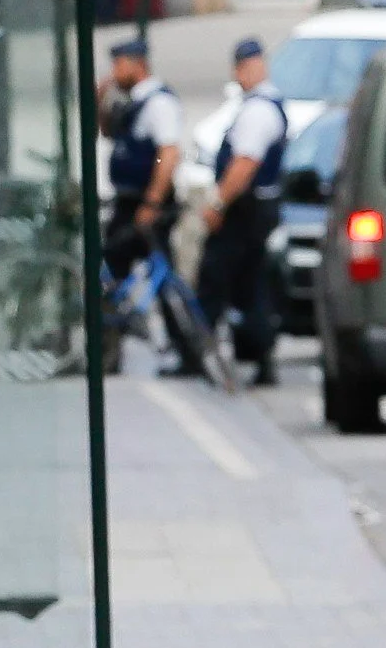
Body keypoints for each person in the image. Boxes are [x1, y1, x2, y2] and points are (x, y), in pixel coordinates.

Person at [197, 36, 287, 388]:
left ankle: (200, 352)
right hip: (255, 210)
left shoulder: (259, 110)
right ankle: (255, 355)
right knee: (250, 285)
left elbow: (244, 164)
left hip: (246, 211)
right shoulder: (261, 104)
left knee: (217, 277)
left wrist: (218, 202)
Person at [97, 36, 187, 363]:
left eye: (119, 64)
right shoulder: (132, 102)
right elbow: (109, 133)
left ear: (138, 64)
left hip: (146, 203)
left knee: (163, 276)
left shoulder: (159, 103)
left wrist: (152, 200)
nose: (115, 71)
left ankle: (182, 345)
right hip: (127, 201)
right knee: (112, 270)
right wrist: (100, 99)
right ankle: (109, 345)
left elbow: (167, 154)